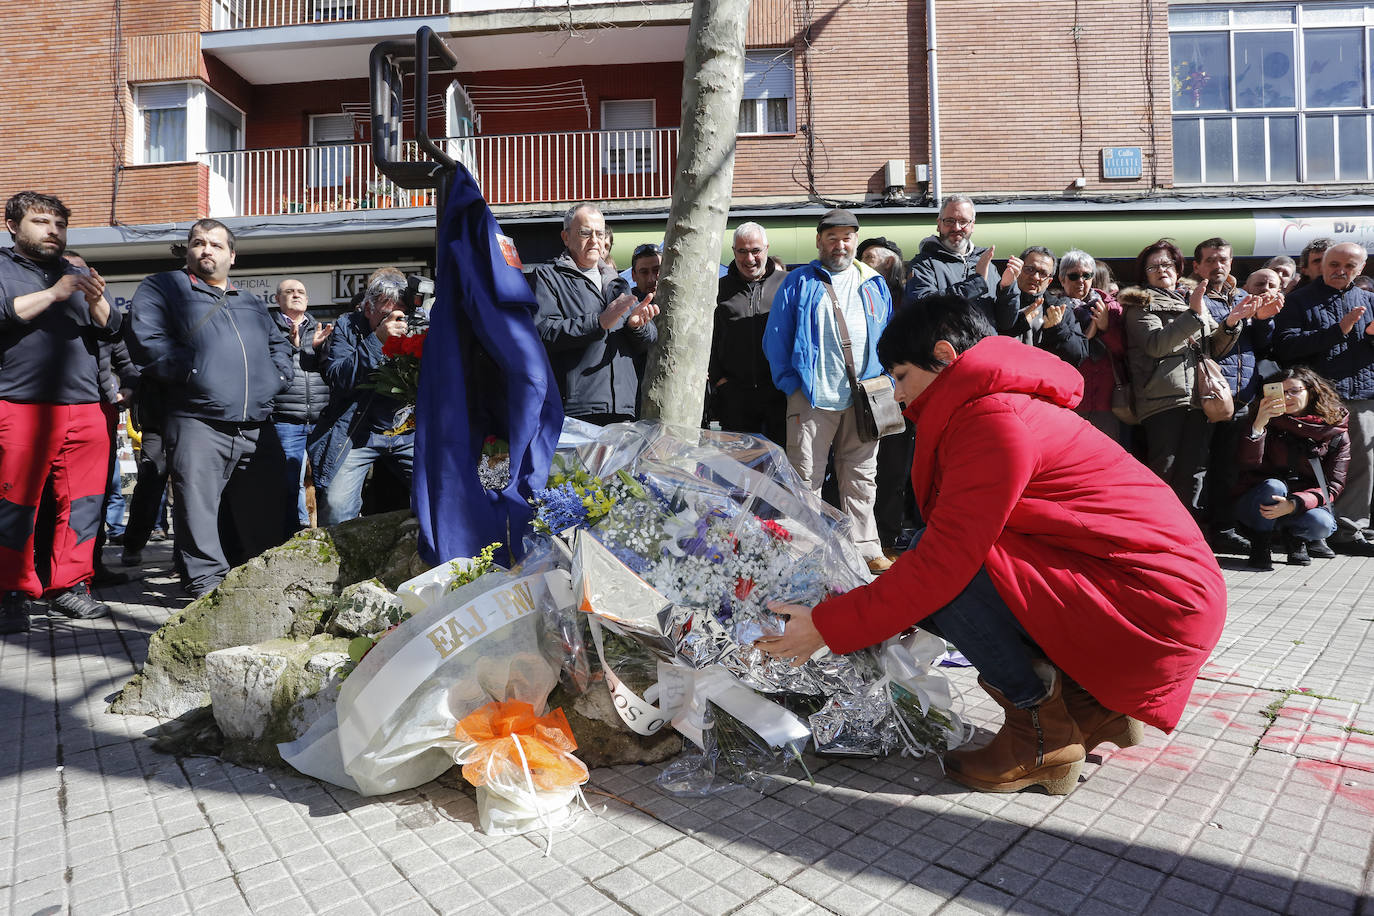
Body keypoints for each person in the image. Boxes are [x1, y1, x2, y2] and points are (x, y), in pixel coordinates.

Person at [755, 295, 1227, 795]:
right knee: (931, 557)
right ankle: (1094, 707)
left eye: (900, 376)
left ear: (944, 354)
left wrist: (828, 626)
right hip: (1150, 594)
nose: (896, 395)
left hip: (1154, 606)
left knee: (944, 578)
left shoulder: (992, 419)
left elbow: (944, 564)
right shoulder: (998, 406)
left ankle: (1041, 736)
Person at [128, 219, 293, 597]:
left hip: (254, 423)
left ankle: (255, 582)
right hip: (196, 420)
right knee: (197, 511)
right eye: (198, 243)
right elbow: (147, 341)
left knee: (262, 507)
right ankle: (207, 589)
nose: (206, 250)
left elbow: (279, 346)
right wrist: (194, 374)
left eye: (216, 245)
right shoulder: (162, 287)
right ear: (188, 250)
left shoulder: (250, 302)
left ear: (232, 256)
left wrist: (277, 378)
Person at [0, 192, 122, 631]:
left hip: (85, 405)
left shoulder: (77, 271)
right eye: (40, 222)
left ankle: (70, 587)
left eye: (59, 224)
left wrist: (97, 301)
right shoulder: (3, 267)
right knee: (16, 502)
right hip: (19, 403)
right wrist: (54, 293)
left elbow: (112, 327)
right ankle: (11, 592)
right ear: (13, 226)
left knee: (85, 502)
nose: (53, 230)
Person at [762, 208, 894, 574]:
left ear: (856, 240)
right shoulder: (798, 281)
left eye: (847, 237)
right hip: (812, 395)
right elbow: (776, 338)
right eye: (832, 238)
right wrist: (792, 385)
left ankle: (865, 550)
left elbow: (889, 335)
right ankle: (807, 553)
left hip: (865, 396)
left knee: (862, 475)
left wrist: (888, 382)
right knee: (804, 479)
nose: (840, 245)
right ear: (819, 241)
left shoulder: (872, 281)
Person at [1120, 239, 1240, 517]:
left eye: (1168, 264)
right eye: (1154, 266)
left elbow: (1214, 346)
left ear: (1177, 268)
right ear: (1144, 273)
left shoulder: (1191, 298)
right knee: (1165, 469)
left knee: (1195, 470)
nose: (1162, 269)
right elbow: (1156, 344)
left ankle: (1190, 536)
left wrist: (1232, 323)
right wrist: (1194, 314)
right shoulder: (1140, 303)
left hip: (1200, 398)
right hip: (1162, 399)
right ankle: (1158, 531)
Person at [1273, 241, 1374, 554]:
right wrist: (1338, 330)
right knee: (1316, 467)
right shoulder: (1299, 301)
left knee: (1361, 465)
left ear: (1360, 270)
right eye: (1334, 265)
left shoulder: (1369, 300)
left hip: (1361, 396)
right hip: (1319, 398)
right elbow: (1285, 347)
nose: (1341, 271)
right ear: (1322, 265)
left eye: (1349, 267)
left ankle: (1348, 530)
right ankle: (1312, 530)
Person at [1189, 237, 1283, 554]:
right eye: (1211, 260)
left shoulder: (1243, 296)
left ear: (1231, 262)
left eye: (1223, 260)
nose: (1218, 265)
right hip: (1205, 396)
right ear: (1197, 265)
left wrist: (1264, 319)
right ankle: (1194, 532)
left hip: (1241, 397)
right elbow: (1207, 342)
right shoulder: (1192, 296)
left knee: (1228, 469)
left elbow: (1262, 345)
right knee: (1197, 469)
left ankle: (1224, 529)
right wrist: (1235, 319)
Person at [533, 204, 658, 425]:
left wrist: (637, 326)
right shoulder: (548, 276)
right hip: (578, 410)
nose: (594, 240)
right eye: (585, 232)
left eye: (599, 233)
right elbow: (544, 332)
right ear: (566, 237)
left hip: (625, 408)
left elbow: (648, 341)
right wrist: (598, 323)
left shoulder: (617, 282)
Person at [308, 272, 416, 527]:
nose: (396, 320)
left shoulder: (417, 325)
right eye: (387, 313)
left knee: (443, 490)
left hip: (408, 432)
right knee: (336, 508)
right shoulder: (347, 326)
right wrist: (378, 340)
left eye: (401, 312)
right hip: (358, 431)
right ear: (368, 309)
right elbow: (338, 377)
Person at [1236, 368, 1348, 569]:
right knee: (1273, 486)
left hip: (1302, 505)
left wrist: (1294, 504)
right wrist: (1258, 427)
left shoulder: (1334, 430)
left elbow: (1332, 487)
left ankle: (1295, 537)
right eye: (1280, 391)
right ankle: (1260, 542)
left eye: (1294, 391)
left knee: (1323, 524)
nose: (1286, 397)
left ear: (1311, 391)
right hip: (1257, 504)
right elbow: (1247, 465)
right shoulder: (1261, 418)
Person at [710, 223, 789, 444]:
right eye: (742, 251)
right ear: (733, 251)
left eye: (755, 250)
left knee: (780, 464)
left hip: (779, 395)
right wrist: (719, 379)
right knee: (740, 468)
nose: (750, 258)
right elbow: (709, 338)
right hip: (735, 396)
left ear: (766, 249)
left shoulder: (786, 284)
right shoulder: (718, 289)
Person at [904, 194, 1019, 332]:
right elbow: (923, 310)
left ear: (972, 225)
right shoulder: (923, 264)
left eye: (963, 221)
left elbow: (1005, 323)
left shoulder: (986, 263)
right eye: (950, 221)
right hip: (948, 352)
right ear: (939, 224)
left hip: (985, 351)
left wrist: (1006, 289)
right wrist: (976, 283)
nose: (956, 227)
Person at [270, 279, 332, 534]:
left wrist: (318, 348)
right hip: (285, 418)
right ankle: (291, 534)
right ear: (277, 299)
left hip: (321, 418)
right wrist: (292, 345)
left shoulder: (321, 329)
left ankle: (331, 533)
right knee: (287, 482)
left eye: (301, 292)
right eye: (289, 292)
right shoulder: (269, 329)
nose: (296, 295)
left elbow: (334, 368)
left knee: (327, 480)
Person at [1051, 250, 1127, 442]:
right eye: (1074, 276)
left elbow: (1122, 351)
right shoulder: (1054, 308)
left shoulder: (1111, 307)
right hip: (1068, 399)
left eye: (1086, 275)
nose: (1081, 281)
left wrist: (1105, 327)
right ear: (1062, 279)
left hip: (1106, 399)